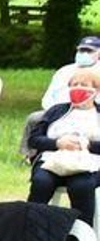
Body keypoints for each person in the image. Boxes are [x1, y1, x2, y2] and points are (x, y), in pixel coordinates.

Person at [26, 67, 100, 226]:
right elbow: (34, 139)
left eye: (84, 84)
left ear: (96, 90)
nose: (78, 88)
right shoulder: (56, 111)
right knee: (41, 182)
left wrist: (88, 144)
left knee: (81, 186)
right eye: (75, 84)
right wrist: (57, 143)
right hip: (53, 161)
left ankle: (79, 238)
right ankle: (31, 230)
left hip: (88, 165)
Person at [39, 35, 100, 110]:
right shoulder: (64, 71)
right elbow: (48, 98)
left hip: (92, 112)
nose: (84, 53)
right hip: (58, 111)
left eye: (89, 51)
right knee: (34, 118)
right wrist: (53, 112)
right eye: (82, 50)